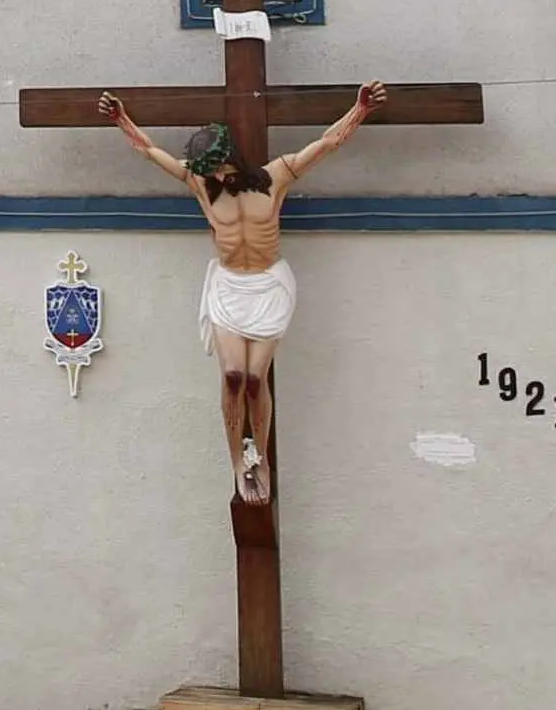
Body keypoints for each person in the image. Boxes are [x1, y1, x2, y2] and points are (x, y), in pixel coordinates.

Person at [101, 80, 389, 503]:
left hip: (267, 287)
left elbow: (326, 144)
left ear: (230, 159)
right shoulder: (201, 186)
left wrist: (360, 109)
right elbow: (149, 151)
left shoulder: (276, 177)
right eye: (208, 171)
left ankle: (264, 458)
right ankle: (238, 460)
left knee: (256, 379)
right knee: (233, 376)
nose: (214, 177)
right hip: (229, 287)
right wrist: (121, 119)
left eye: (218, 168)